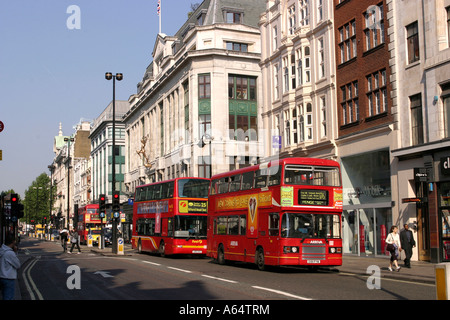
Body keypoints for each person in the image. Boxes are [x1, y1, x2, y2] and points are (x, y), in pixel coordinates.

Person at [0, 234, 21, 300]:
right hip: (8, 278)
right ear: (13, 242)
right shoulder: (10, 253)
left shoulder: (1, 250)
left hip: (1, 277)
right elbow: (18, 265)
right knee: (8, 297)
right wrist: (15, 252)